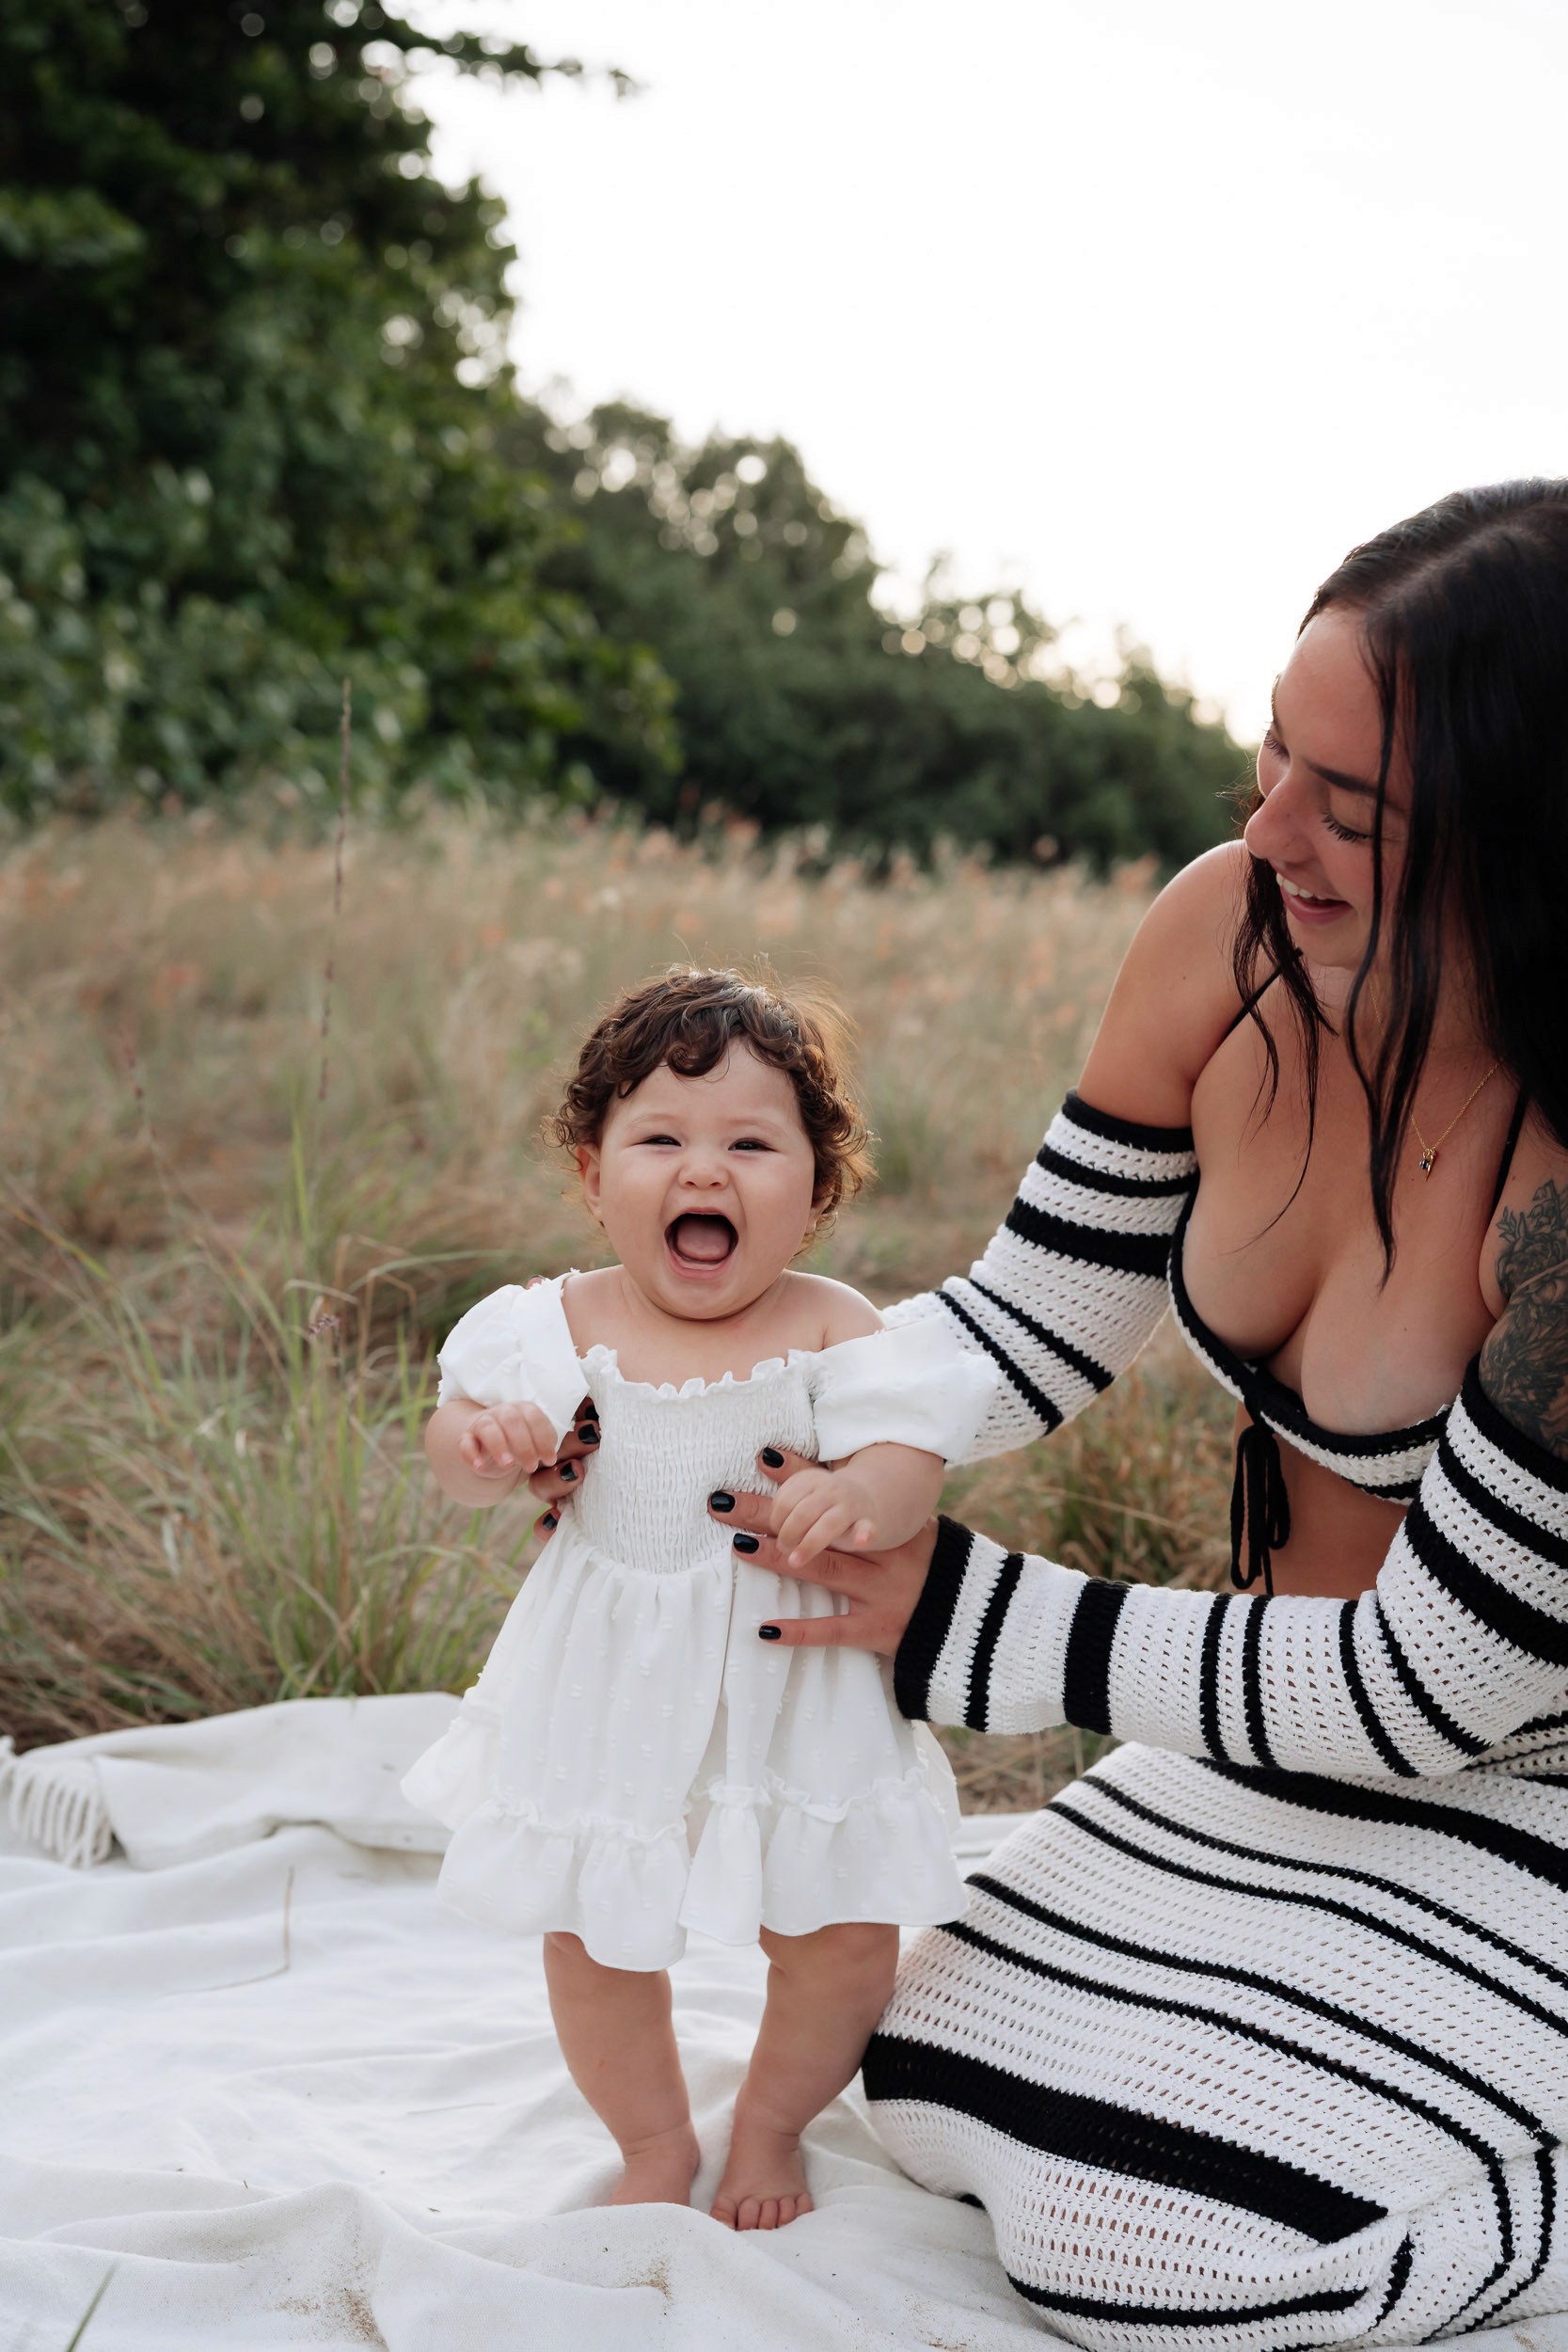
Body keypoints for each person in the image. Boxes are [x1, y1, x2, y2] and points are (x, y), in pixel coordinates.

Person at [532, 481, 1568, 2342]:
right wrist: (819, 1442)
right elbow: (1031, 1308)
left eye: (1356, 808)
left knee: (1189, 2253)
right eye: (1272, 749)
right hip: (1285, 1735)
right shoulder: (1225, 933)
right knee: (915, 2064)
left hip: (1520, 1763)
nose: (1268, 830)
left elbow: (1438, 1679)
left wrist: (957, 1624)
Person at [401, 968, 997, 2232]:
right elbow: (452, 1456)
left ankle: (772, 2126)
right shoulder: (548, 1326)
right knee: (595, 1933)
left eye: (750, 1144)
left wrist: (864, 1498)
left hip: (796, 1682)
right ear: (591, 1173)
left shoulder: (836, 1326)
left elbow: (906, 1452)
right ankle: (654, 2141)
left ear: (816, 1190)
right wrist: (492, 1440)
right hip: (609, 1685)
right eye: (660, 1138)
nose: (704, 1171)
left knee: (839, 1936)